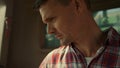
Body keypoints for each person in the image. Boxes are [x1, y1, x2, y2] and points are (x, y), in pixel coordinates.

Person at [34, 0, 120, 68]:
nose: (49, 31)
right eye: (46, 24)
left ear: (77, 5)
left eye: (52, 19)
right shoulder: (51, 61)